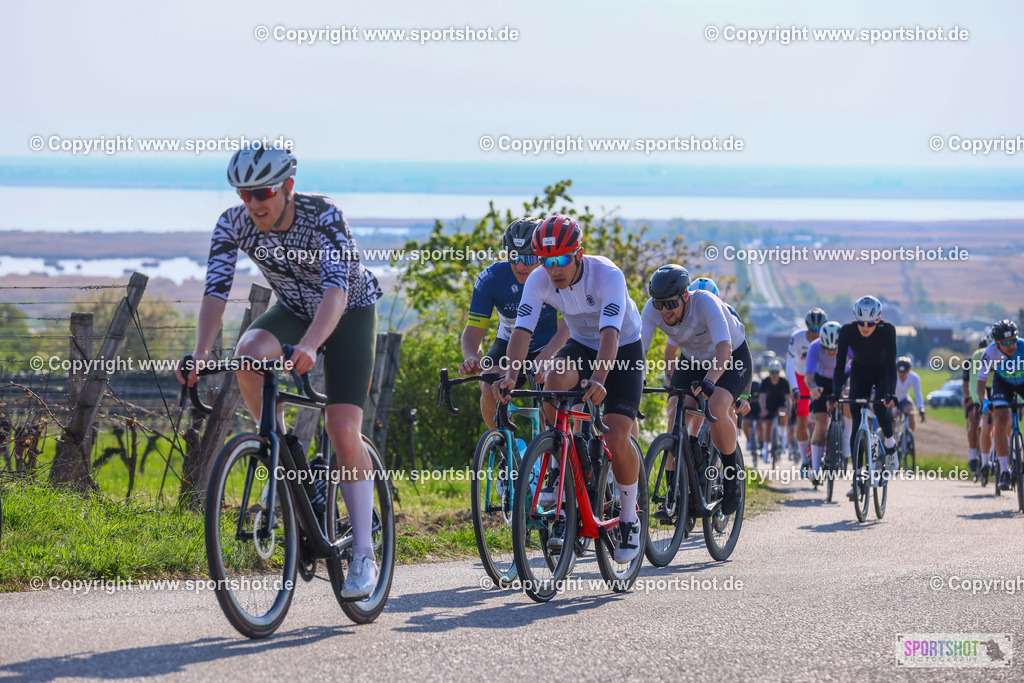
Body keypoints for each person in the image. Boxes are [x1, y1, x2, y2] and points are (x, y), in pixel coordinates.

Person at [177, 144, 382, 599]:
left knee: (342, 427)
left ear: (288, 186)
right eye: (244, 194)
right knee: (248, 350)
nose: (254, 203)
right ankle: (279, 446)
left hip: (347, 312)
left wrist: (311, 343)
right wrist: (200, 353)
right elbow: (216, 291)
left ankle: (365, 553)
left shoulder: (324, 215)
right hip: (292, 308)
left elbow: (336, 292)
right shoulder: (233, 223)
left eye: (263, 192)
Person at [494, 215, 645, 563]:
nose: (555, 269)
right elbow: (521, 332)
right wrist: (510, 376)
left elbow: (611, 334)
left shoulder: (607, 274)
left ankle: (628, 518)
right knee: (553, 379)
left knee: (618, 436)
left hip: (622, 349)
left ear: (579, 253)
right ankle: (559, 453)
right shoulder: (539, 279)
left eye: (562, 259)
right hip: (581, 343)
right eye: (547, 261)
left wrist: (600, 380)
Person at [639, 264, 752, 518]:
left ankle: (732, 478)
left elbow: (725, 350)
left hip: (731, 359)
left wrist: (711, 381)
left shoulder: (706, 303)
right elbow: (639, 353)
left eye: (670, 304)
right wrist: (635, 382)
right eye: (659, 305)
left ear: (686, 297)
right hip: (692, 360)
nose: (664, 311)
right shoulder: (653, 309)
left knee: (715, 406)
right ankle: (672, 493)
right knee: (675, 409)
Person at [458, 217, 568, 428]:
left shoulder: (556, 276)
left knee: (552, 394)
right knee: (489, 379)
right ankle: (504, 445)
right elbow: (472, 333)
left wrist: (547, 357)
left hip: (552, 345)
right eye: (513, 256)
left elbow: (566, 329)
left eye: (528, 258)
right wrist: (472, 357)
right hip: (509, 343)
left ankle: (552, 449)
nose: (519, 265)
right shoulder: (491, 279)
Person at [830, 296, 899, 500]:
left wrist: (891, 392)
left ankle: (890, 443)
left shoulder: (888, 330)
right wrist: (835, 391)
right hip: (859, 373)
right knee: (857, 419)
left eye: (870, 323)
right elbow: (840, 365)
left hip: (882, 372)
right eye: (861, 323)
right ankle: (857, 479)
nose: (865, 327)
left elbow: (892, 365)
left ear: (878, 320)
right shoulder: (847, 331)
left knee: (880, 407)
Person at [976, 319, 1024, 491]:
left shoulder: (1023, 347)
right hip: (1003, 383)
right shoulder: (990, 353)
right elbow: (980, 385)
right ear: (997, 343)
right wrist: (985, 401)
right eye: (1006, 343)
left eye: (1013, 341)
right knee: (1001, 419)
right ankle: (1004, 470)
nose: (1011, 346)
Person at [805, 321, 851, 482]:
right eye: (828, 349)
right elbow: (809, 376)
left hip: (842, 379)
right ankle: (816, 470)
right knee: (821, 422)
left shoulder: (848, 345)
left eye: (835, 349)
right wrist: (814, 388)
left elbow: (857, 368)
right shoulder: (815, 347)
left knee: (849, 403)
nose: (832, 352)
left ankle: (846, 438)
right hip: (822, 381)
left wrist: (849, 386)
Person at [787, 308, 827, 475]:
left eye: (819, 330)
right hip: (802, 380)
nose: (816, 334)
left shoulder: (828, 338)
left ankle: (821, 454)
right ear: (807, 328)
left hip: (820, 379)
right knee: (802, 422)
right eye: (813, 331)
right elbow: (789, 364)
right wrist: (795, 388)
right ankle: (804, 460)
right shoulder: (796, 338)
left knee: (823, 419)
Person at [963, 335, 991, 474]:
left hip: (991, 391)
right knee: (973, 419)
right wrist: (970, 397)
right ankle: (973, 456)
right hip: (975, 393)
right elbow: (967, 383)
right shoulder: (970, 361)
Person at [758, 359, 791, 464]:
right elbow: (762, 397)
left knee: (783, 417)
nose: (775, 374)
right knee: (767, 427)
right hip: (769, 406)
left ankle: (783, 437)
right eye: (773, 372)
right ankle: (766, 451)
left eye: (777, 372)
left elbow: (788, 398)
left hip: (781, 405)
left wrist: (788, 408)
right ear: (769, 372)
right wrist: (763, 409)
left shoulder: (784, 382)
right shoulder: (765, 382)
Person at [894, 356, 926, 433]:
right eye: (899, 372)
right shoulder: (892, 376)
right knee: (892, 419)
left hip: (904, 398)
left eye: (904, 372)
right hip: (893, 399)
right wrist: (894, 409)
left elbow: (918, 393)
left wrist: (921, 407)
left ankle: (910, 436)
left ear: (909, 370)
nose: (901, 374)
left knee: (911, 412)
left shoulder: (914, 378)